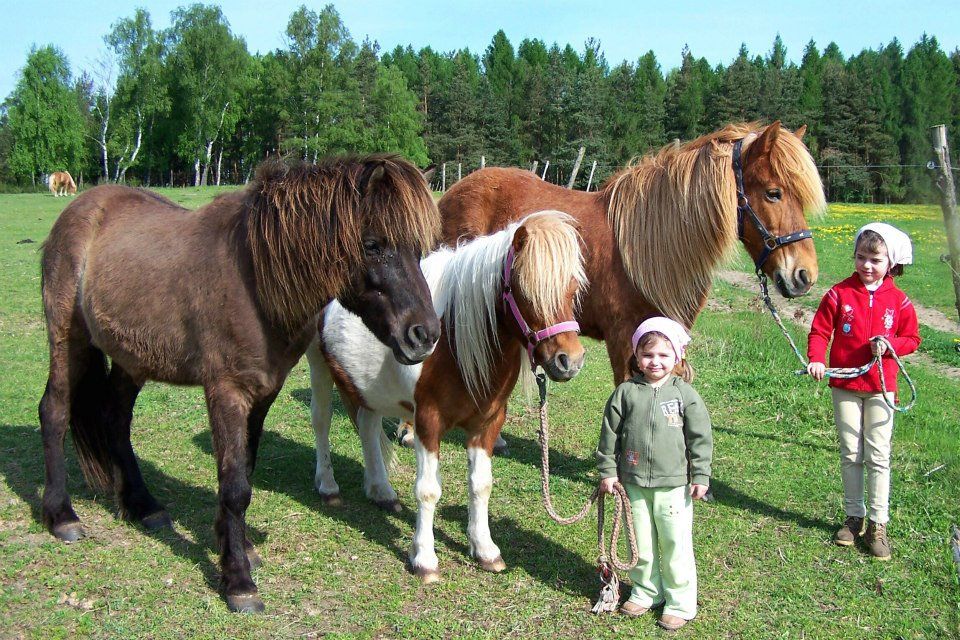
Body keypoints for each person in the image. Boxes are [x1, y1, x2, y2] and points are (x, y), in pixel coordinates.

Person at [807, 222, 921, 560]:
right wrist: (816, 359)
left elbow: (912, 339)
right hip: (844, 384)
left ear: (891, 263)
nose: (867, 266)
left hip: (880, 389)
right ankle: (853, 517)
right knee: (850, 452)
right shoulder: (839, 294)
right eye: (860, 257)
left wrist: (890, 346)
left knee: (878, 455)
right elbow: (819, 331)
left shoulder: (899, 301)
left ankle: (878, 524)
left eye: (875, 260)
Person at [596, 317, 712, 631]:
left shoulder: (685, 395)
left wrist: (700, 475)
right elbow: (609, 437)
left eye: (663, 355)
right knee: (640, 543)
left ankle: (679, 601)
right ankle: (647, 591)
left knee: (675, 544)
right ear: (636, 357)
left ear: (677, 357)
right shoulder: (625, 393)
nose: (655, 362)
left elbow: (700, 438)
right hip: (632, 483)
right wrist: (608, 470)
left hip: (674, 486)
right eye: (648, 355)